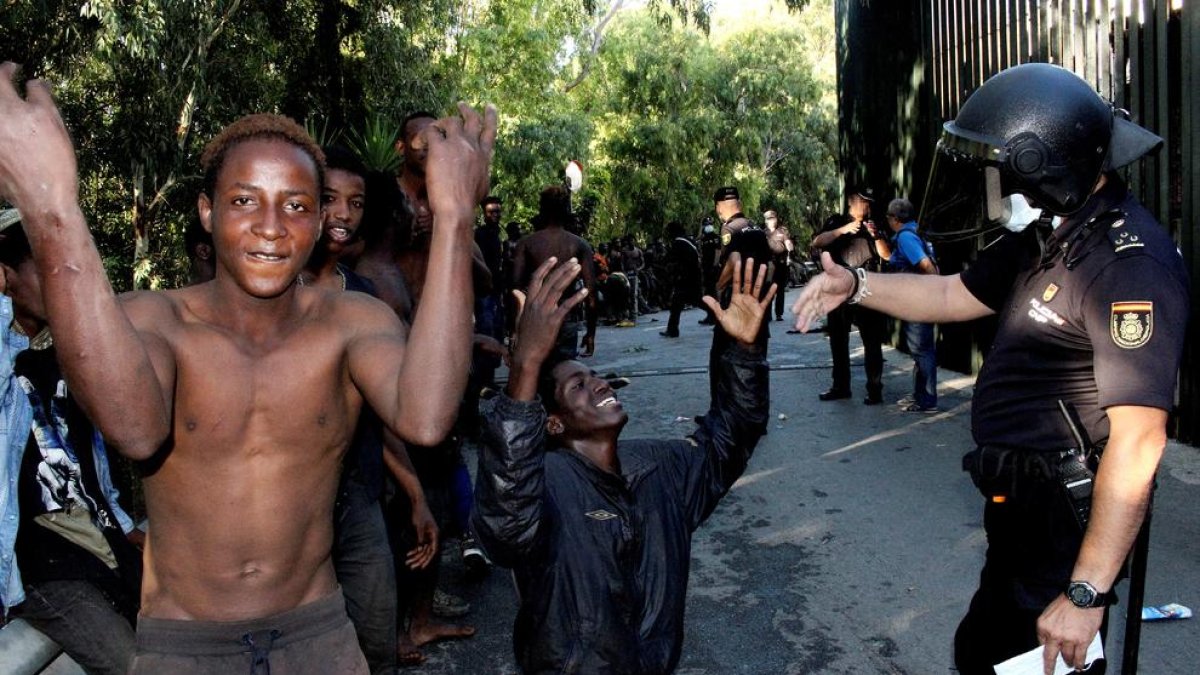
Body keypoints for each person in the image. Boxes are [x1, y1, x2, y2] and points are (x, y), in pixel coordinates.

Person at [0, 63, 495, 673]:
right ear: (207, 212)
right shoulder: (155, 319)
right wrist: (51, 207)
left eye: (296, 205)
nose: (270, 226)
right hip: (184, 646)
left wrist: (455, 217)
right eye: (244, 201)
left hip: (317, 634)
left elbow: (426, 417)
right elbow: (135, 430)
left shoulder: (352, 321)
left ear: (320, 223)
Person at [792, 63, 1188, 675]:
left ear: (1039, 167)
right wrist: (857, 285)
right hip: (1021, 513)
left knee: (1024, 660)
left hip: (1064, 530)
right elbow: (953, 294)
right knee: (980, 653)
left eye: (1000, 163)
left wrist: (1086, 594)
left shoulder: (1127, 264)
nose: (992, 178)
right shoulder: (1053, 234)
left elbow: (1139, 440)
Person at [473, 255, 775, 675]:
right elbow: (505, 527)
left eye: (595, 376)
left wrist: (745, 350)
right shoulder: (546, 483)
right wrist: (525, 367)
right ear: (554, 422)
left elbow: (732, 438)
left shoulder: (660, 469)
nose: (598, 384)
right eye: (578, 386)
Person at [0, 212, 144, 675]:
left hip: (93, 540)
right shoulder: (7, 359)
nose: (60, 285)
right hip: (39, 564)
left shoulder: (63, 355)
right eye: (45, 270)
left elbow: (87, 461)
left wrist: (123, 522)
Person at [809, 187, 886, 404]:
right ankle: (841, 386)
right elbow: (817, 242)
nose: (867, 206)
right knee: (838, 340)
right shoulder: (836, 222)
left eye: (869, 202)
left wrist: (876, 236)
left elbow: (886, 254)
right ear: (852, 201)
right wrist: (842, 230)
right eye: (864, 201)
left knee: (872, 341)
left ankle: (875, 389)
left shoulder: (874, 225)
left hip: (865, 288)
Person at [511, 185, 597, 358]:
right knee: (563, 368)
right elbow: (591, 295)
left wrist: (514, 330)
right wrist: (591, 333)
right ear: (566, 211)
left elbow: (515, 290)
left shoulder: (526, 244)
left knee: (535, 368)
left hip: (535, 318)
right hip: (566, 317)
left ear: (542, 209)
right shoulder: (580, 244)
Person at [875, 197, 939, 412]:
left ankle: (926, 400)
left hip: (918, 300)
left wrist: (933, 289)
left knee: (921, 350)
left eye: (888, 216)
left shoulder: (906, 237)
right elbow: (890, 257)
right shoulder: (915, 232)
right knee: (921, 349)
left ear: (895, 218)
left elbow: (926, 265)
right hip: (920, 299)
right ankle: (921, 395)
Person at [660, 221, 702, 338]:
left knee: (677, 304)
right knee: (696, 301)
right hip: (694, 276)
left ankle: (672, 330)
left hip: (686, 278)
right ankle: (717, 317)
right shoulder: (688, 241)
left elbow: (672, 260)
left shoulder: (678, 243)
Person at [763, 210, 793, 321]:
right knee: (768, 289)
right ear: (766, 221)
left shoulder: (782, 231)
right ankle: (768, 314)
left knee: (780, 290)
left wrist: (789, 245)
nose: (772, 221)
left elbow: (788, 244)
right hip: (769, 265)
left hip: (781, 264)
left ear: (776, 219)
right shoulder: (763, 233)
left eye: (773, 218)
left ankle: (779, 314)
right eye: (769, 219)